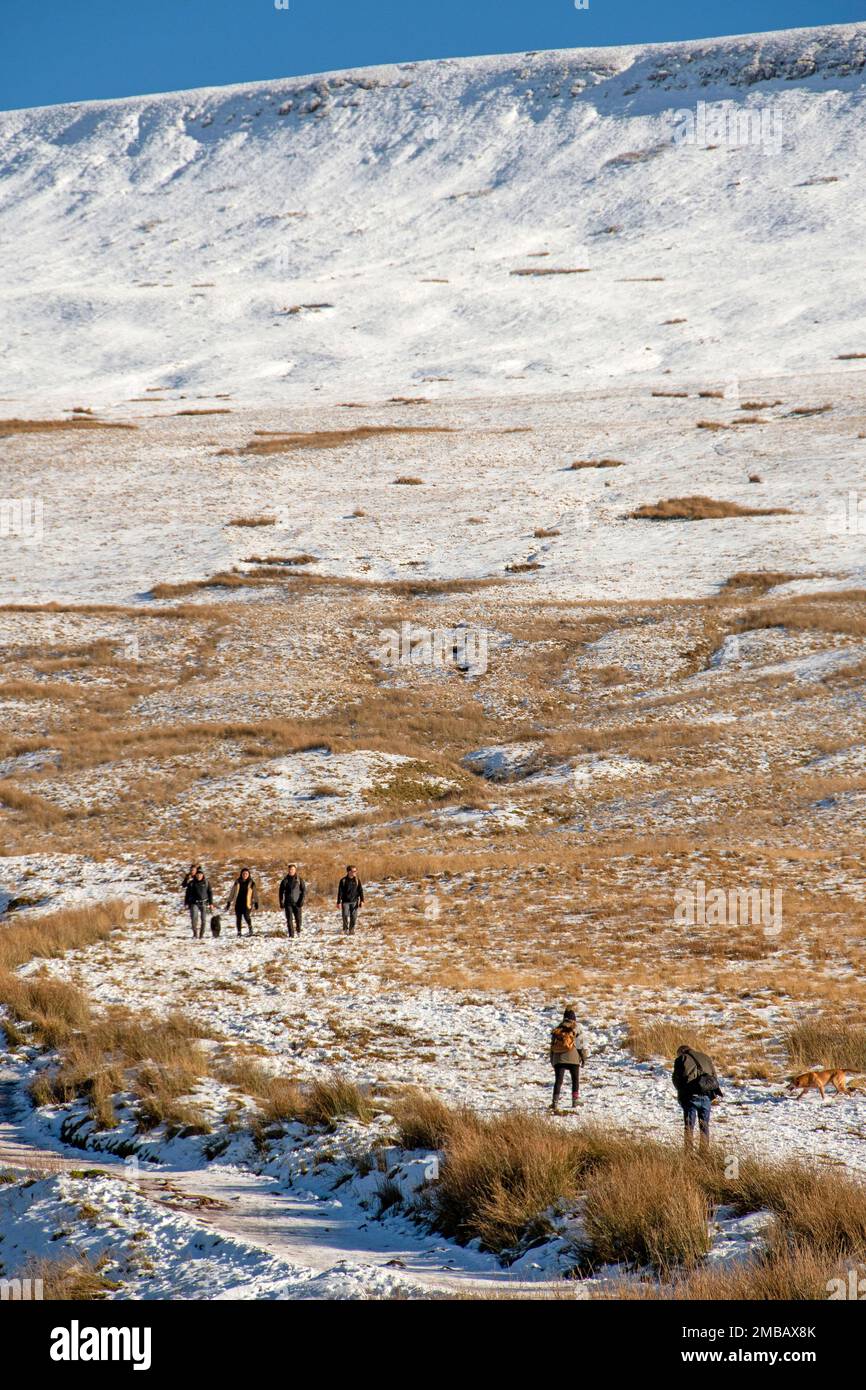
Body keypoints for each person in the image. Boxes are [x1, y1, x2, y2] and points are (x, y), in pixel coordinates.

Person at [672, 1043, 723, 1153]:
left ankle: (688, 1152)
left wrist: (682, 1093)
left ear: (681, 1052)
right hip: (706, 1097)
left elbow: (677, 1080)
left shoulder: (681, 1059)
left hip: (691, 1097)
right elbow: (714, 1077)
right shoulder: (705, 1057)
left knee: (689, 1126)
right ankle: (704, 1152)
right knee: (704, 1126)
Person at [549, 1007, 586, 1112]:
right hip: (573, 1057)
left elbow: (552, 1046)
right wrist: (583, 1057)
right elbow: (580, 1044)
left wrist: (552, 1059)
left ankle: (555, 1102)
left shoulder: (558, 1028)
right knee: (575, 1079)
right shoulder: (576, 1028)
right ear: (574, 1018)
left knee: (558, 1081)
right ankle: (575, 1100)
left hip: (558, 1058)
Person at [226, 867, 259, 937]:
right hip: (238, 903)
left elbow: (255, 893)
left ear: (249, 874)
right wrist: (229, 902)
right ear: (241, 874)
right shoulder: (237, 882)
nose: (245, 875)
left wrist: (256, 902)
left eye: (246, 874)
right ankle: (239, 932)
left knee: (246, 916)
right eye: (243, 874)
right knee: (238, 918)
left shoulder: (251, 883)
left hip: (247, 903)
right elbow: (232, 892)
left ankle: (250, 929)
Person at [184, 868, 212, 940]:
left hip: (204, 902)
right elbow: (187, 893)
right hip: (194, 903)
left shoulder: (206, 882)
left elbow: (210, 893)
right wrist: (186, 902)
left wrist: (211, 903)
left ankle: (201, 935)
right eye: (198, 874)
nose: (199, 876)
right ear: (195, 875)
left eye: (200, 874)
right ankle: (195, 934)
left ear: (203, 875)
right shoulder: (192, 883)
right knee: (194, 919)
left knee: (204, 919)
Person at [278, 863, 306, 938]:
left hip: (297, 903)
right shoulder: (285, 880)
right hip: (288, 903)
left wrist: (301, 900)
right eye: (290, 869)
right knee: (289, 919)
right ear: (288, 870)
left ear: (295, 870)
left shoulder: (299, 880)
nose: (291, 871)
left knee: (298, 919)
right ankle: (291, 934)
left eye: (293, 869)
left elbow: (303, 891)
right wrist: (281, 902)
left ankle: (298, 930)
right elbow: (281, 892)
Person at [336, 865, 364, 934]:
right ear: (348, 872)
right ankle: (345, 929)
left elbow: (360, 891)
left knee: (354, 917)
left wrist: (362, 900)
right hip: (345, 902)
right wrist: (338, 902)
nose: (355, 872)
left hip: (354, 902)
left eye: (355, 871)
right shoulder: (343, 880)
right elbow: (340, 892)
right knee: (345, 915)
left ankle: (352, 929)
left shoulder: (357, 880)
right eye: (353, 871)